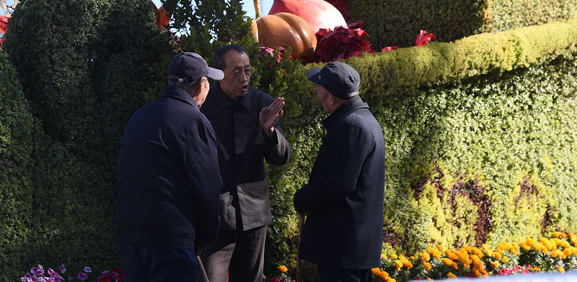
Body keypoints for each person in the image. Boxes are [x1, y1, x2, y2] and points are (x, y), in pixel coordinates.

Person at [116, 52, 225, 282]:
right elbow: (207, 188)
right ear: (200, 86)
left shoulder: (140, 116)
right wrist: (202, 239)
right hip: (171, 239)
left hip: (132, 235)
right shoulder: (193, 120)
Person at [200, 44, 293, 282]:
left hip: (254, 215)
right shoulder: (203, 107)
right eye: (236, 73)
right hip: (217, 218)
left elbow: (281, 157)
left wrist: (269, 131)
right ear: (219, 75)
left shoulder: (262, 103)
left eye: (248, 71)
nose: (244, 79)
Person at [293, 62, 385, 282]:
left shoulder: (351, 125)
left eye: (319, 87)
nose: (316, 92)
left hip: (343, 247)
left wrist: (302, 199)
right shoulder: (364, 121)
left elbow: (338, 183)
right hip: (352, 247)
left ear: (332, 97)